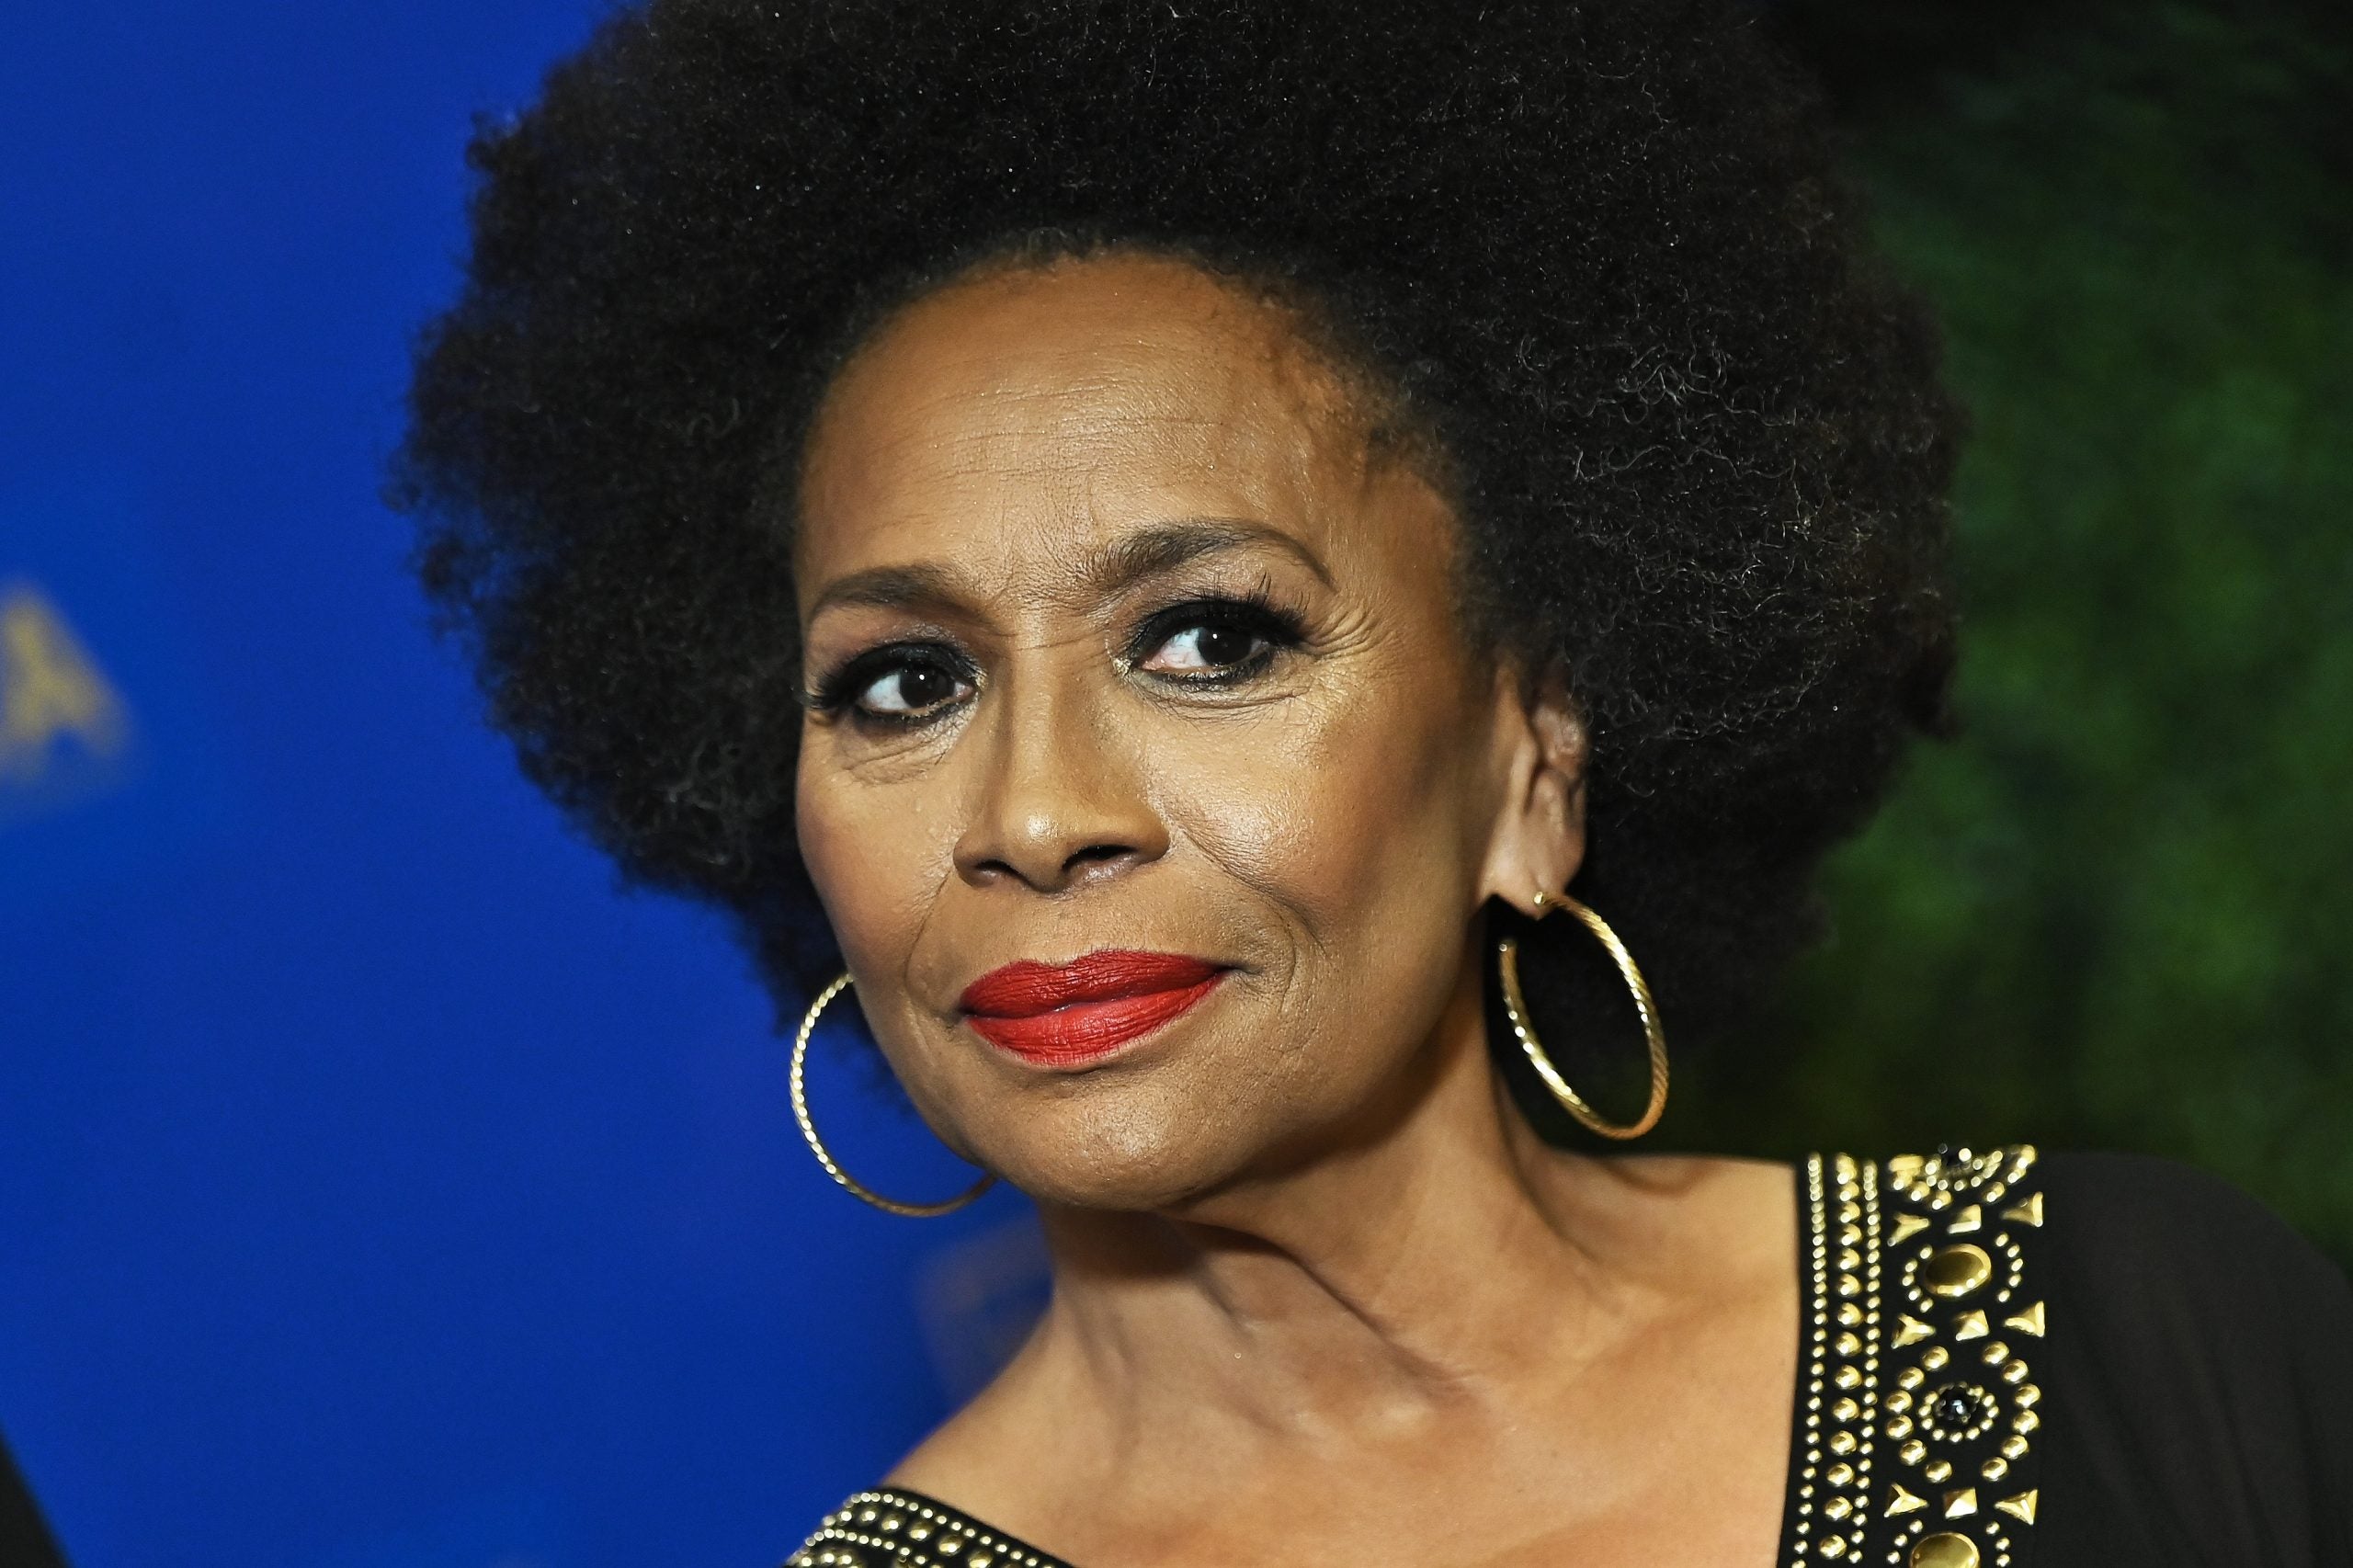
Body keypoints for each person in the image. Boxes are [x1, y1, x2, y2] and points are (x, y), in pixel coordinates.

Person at [390, 1, 2353, 1562]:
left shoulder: (2137, 1340)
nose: (1032, 813)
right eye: (905, 681)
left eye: (1208, 638)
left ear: (1531, 752)